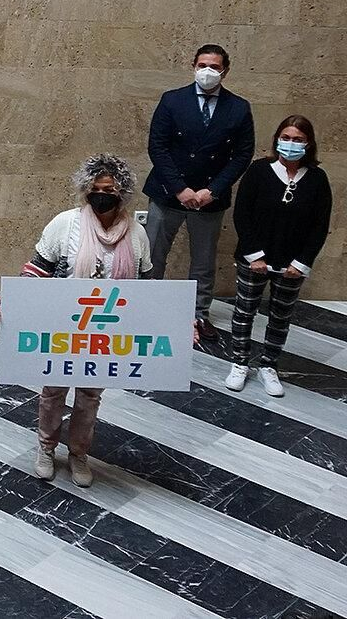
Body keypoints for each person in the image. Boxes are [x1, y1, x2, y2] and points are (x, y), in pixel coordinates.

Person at [20, 154, 152, 488]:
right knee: (53, 390)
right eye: (96, 188)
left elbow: (148, 287)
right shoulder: (66, 224)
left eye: (109, 189)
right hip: (65, 326)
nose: (101, 195)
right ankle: (46, 448)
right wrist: (15, 301)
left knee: (90, 395)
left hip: (106, 331)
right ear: (86, 189)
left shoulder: (137, 234)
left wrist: (175, 321)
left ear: (122, 192)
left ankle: (79, 453)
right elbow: (37, 268)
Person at [142, 44, 255, 344]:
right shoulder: (172, 100)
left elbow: (242, 155)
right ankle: (146, 309)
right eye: (203, 65)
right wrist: (180, 188)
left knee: (203, 261)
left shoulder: (239, 107)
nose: (208, 71)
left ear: (225, 71)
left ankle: (199, 313)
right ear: (193, 66)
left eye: (215, 67)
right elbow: (157, 146)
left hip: (209, 198)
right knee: (153, 255)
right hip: (167, 193)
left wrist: (213, 190)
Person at [227, 116, 333, 398]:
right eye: (286, 138)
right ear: (277, 139)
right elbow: (242, 215)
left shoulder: (317, 179)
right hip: (254, 260)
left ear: (308, 143)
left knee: (280, 316)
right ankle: (239, 363)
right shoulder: (259, 171)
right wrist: (254, 255)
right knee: (244, 312)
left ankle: (268, 365)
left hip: (291, 265)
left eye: (298, 139)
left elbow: (320, 225)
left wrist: (301, 262)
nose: (291, 144)